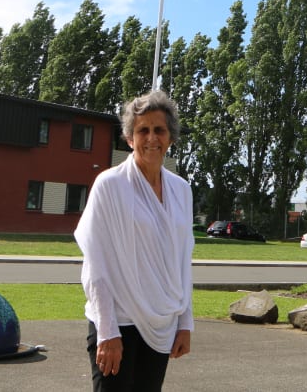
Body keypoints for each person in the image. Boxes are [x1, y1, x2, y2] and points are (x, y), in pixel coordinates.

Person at [74, 90, 194, 391]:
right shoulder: (110, 185)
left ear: (171, 137)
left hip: (163, 323)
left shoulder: (181, 190)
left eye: (159, 130)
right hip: (120, 322)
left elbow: (183, 259)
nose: (152, 138)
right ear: (129, 138)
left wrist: (185, 323)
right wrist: (107, 330)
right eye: (143, 130)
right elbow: (96, 265)